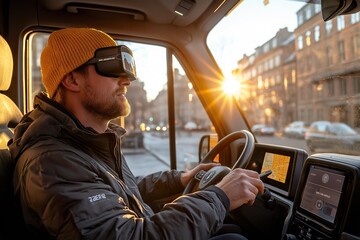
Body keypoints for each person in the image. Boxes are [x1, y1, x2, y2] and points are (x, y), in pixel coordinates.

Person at [9, 28, 264, 239]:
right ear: (72, 80)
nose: (126, 80)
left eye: (128, 70)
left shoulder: (85, 144)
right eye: (111, 66)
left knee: (229, 230)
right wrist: (219, 197)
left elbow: (120, 192)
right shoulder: (50, 163)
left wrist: (180, 179)